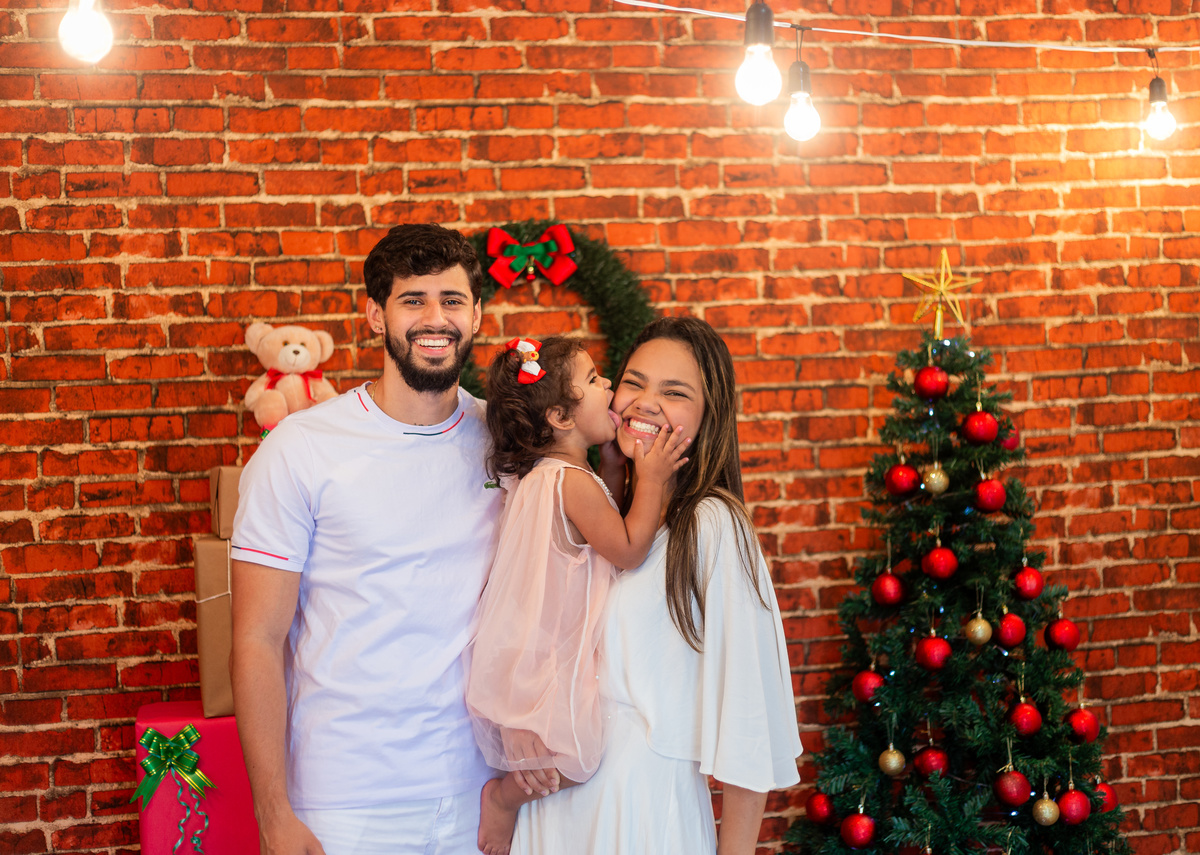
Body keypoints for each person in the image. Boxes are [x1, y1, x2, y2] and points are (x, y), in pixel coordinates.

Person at [230, 223, 503, 855]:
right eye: (413, 300)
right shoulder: (300, 448)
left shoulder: (506, 441)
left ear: (475, 316)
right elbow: (257, 638)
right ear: (377, 315)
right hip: (344, 799)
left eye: (452, 300)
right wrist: (273, 814)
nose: (435, 318)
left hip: (479, 792)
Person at [511, 316, 803, 855]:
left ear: (708, 416)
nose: (646, 403)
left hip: (641, 810)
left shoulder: (713, 524)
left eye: (674, 392)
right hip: (553, 807)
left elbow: (749, 721)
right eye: (634, 382)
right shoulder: (600, 512)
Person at [466, 336, 691, 855]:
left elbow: (600, 511)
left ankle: (510, 795)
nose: (608, 383)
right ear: (562, 417)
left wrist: (612, 465)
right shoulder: (571, 482)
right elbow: (628, 548)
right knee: (576, 761)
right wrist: (652, 478)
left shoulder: (556, 474)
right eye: (593, 380)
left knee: (564, 757)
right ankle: (503, 799)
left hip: (541, 650)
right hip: (550, 660)